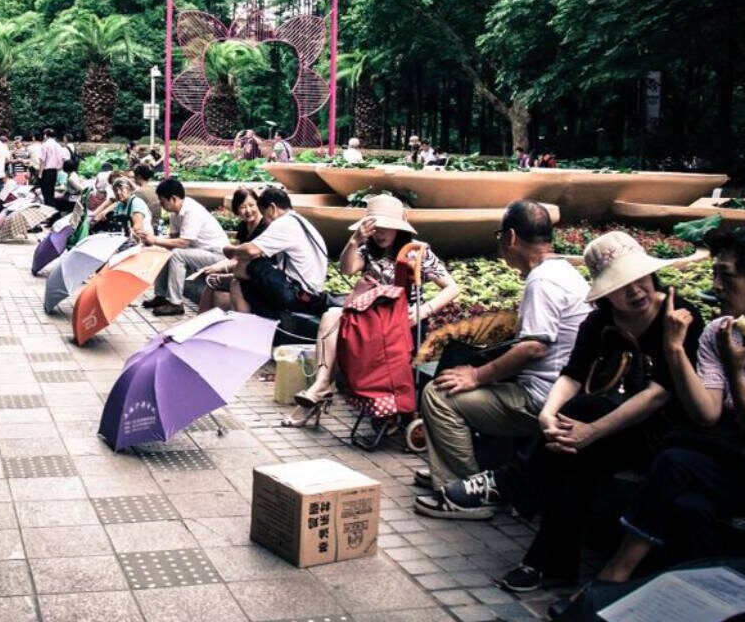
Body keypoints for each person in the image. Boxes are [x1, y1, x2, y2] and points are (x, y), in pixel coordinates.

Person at [438, 232, 707, 591]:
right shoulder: (600, 322)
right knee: (572, 451)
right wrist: (548, 415)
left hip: (662, 434)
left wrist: (591, 431)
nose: (636, 292)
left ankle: (514, 489)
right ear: (605, 291)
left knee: (581, 421)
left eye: (640, 279)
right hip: (609, 427)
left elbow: (659, 396)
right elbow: (572, 375)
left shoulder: (680, 316)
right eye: (622, 285)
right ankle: (550, 565)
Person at [593, 229, 745, 587]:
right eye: (714, 274)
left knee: (674, 461)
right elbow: (707, 413)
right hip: (734, 464)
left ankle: (615, 573)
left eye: (726, 276)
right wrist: (674, 350)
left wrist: (735, 372)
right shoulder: (718, 331)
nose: (716, 286)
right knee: (689, 507)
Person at [413, 200, 593, 515]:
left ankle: (466, 490)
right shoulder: (563, 271)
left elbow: (534, 347)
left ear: (510, 237)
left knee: (439, 395)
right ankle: (459, 472)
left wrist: (478, 376)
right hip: (561, 391)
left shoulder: (543, 280)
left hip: (544, 399)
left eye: (500, 236)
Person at [287, 195, 459, 426]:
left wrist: (423, 311)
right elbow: (348, 269)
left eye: (387, 227)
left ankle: (321, 388)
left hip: (401, 324)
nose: (381, 233)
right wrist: (355, 241)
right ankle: (321, 384)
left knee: (335, 319)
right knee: (331, 315)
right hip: (368, 319)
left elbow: (452, 288)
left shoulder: (415, 252)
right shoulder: (368, 249)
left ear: (399, 228)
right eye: (376, 226)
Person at [224, 188, 328, 319]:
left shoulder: (284, 223)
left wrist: (231, 250)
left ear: (272, 208)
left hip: (299, 296)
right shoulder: (299, 220)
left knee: (242, 275)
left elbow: (250, 250)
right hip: (309, 293)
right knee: (242, 276)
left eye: (264, 214)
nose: (266, 222)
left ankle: (243, 331)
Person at [139, 178, 229, 317]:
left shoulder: (192, 210)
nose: (161, 205)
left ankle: (175, 303)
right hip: (199, 252)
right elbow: (173, 239)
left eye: (162, 201)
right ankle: (161, 296)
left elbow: (183, 243)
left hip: (217, 256)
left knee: (177, 254)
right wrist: (151, 240)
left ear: (173, 199)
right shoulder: (175, 212)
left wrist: (155, 240)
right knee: (164, 251)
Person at [196, 187, 268, 313]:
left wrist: (222, 268)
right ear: (236, 210)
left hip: (256, 275)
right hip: (241, 270)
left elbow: (248, 257)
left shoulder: (264, 226)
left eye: (252, 205)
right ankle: (200, 322)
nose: (248, 210)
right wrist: (216, 266)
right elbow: (236, 256)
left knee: (221, 291)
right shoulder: (243, 226)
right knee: (211, 284)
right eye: (243, 207)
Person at [37, 128, 63, 209]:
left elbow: (42, 160)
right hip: (54, 171)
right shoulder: (58, 145)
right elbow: (61, 159)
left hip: (46, 171)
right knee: (51, 192)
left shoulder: (45, 145)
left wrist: (40, 173)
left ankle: (48, 210)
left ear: (45, 135)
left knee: (45, 193)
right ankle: (52, 210)